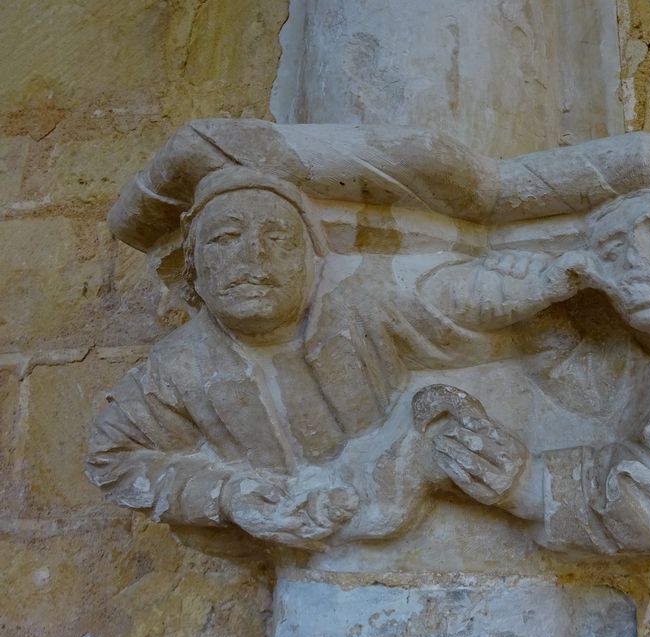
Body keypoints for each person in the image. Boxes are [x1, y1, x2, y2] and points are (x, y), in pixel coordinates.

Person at [85, 167, 515, 548]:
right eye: (225, 238)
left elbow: (458, 304)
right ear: (193, 264)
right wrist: (225, 496)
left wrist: (541, 282)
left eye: (279, 239)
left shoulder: (357, 313)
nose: (254, 257)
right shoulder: (179, 367)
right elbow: (111, 459)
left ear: (311, 262)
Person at [417, 183, 650, 555]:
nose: (635, 258)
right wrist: (538, 296)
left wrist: (531, 486)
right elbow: (595, 389)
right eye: (613, 250)